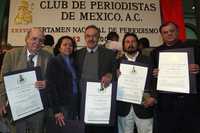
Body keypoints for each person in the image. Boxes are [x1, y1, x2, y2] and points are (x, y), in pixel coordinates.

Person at [150, 22, 200, 133]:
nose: (169, 34)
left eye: (171, 31)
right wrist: (154, 73)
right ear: (161, 35)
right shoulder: (155, 52)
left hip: (189, 102)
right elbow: (152, 76)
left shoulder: (192, 48)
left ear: (177, 32)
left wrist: (198, 68)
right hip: (166, 103)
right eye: (165, 32)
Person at [0, 27, 52, 133]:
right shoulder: (11, 55)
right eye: (34, 39)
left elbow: (54, 81)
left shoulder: (49, 57)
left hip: (38, 110)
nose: (37, 43)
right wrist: (1, 100)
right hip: (16, 108)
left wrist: (47, 83)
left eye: (40, 40)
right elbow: (3, 81)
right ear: (27, 39)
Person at [75, 25, 117, 133]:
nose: (91, 39)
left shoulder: (109, 54)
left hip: (101, 101)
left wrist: (110, 75)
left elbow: (116, 72)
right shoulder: (77, 54)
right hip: (82, 101)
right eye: (88, 36)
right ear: (85, 37)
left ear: (99, 37)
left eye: (94, 36)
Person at [117, 33, 155, 133]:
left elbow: (155, 80)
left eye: (133, 41)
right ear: (123, 45)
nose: (130, 44)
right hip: (123, 107)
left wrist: (154, 97)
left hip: (144, 105)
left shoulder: (148, 60)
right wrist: (114, 77)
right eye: (127, 42)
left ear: (138, 44)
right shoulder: (117, 62)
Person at [46, 35, 79, 129]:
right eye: (65, 45)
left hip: (73, 103)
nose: (68, 47)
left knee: (71, 129)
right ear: (59, 48)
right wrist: (56, 111)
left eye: (71, 45)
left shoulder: (74, 62)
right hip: (61, 105)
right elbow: (51, 87)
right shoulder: (54, 61)